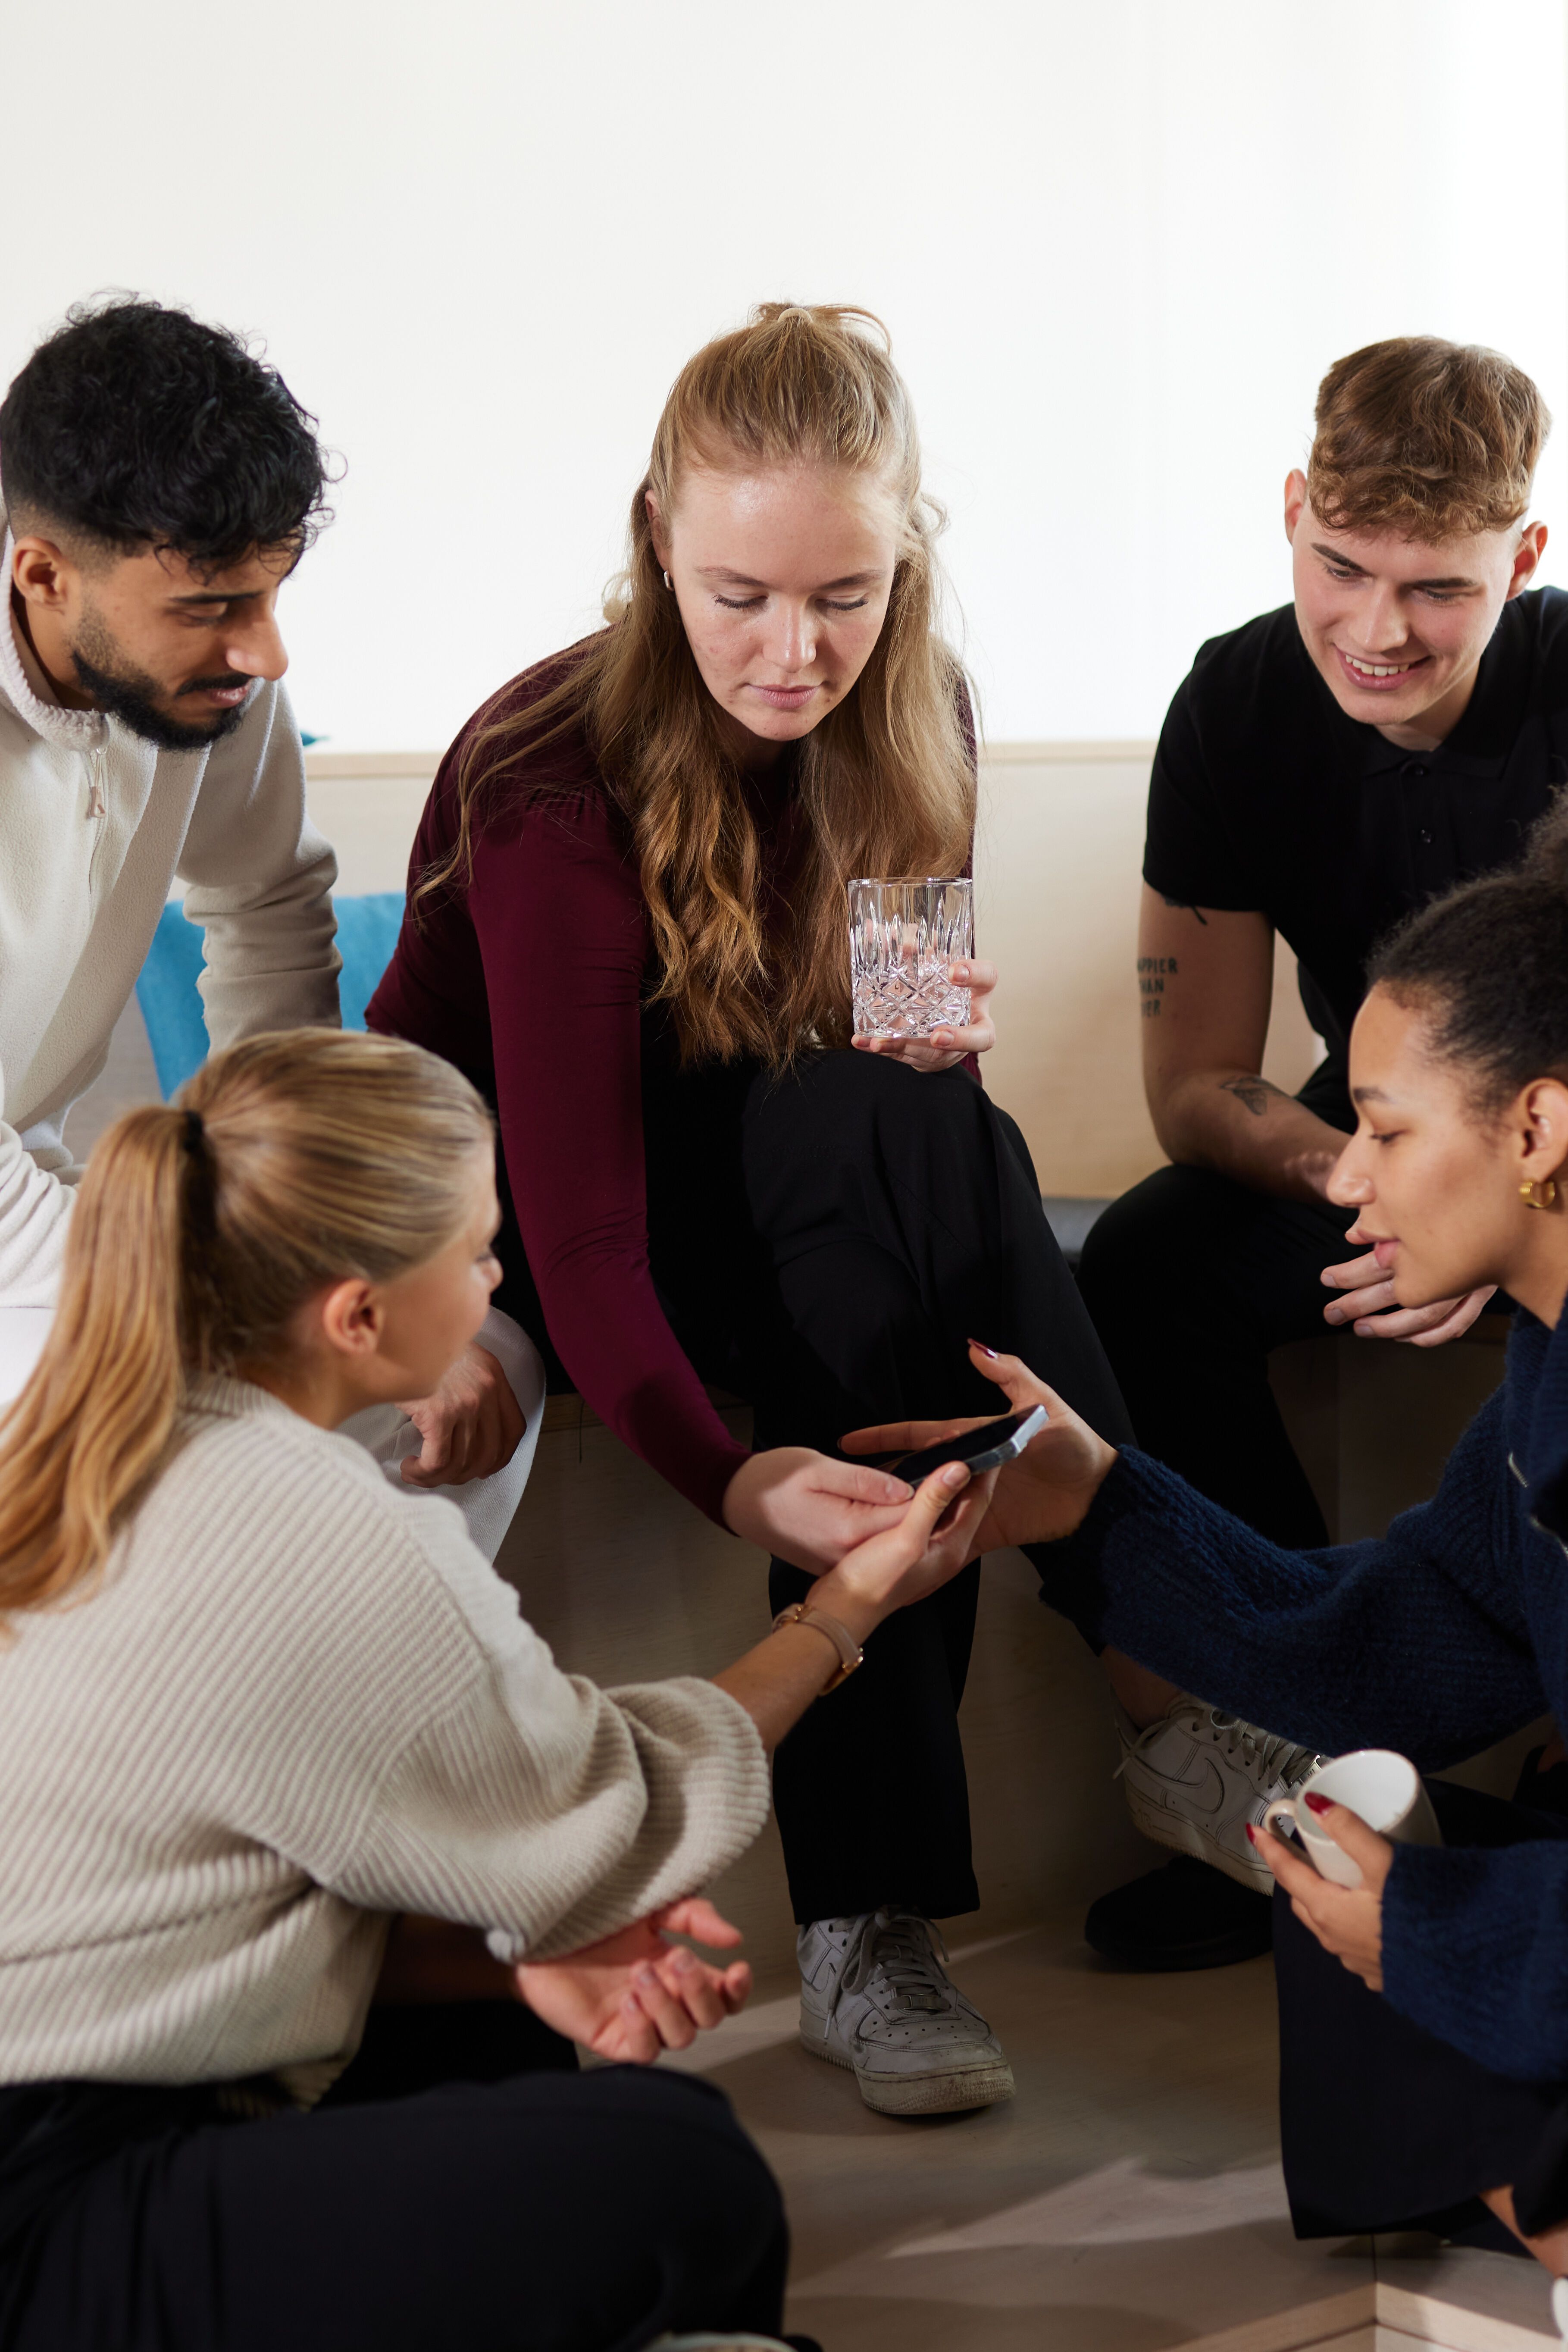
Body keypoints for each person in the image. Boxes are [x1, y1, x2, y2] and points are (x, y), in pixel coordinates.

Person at [367, 301, 1133, 2114]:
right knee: (893, 1202)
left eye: (843, 596)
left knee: (943, 1146)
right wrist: (732, 1472)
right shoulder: (549, 771)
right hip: (512, 1204)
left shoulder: (918, 702)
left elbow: (913, 1063)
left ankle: (1023, 1787)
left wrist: (929, 1057)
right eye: (739, 597)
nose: (796, 654)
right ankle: (1148, 1663)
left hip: (776, 1175)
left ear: (905, 560)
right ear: (654, 541)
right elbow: (580, 1218)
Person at [0, 1024, 995, 2352]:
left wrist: (524, 1966)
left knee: (512, 2042)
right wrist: (842, 1612)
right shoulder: (318, 1525)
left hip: (77, 2092)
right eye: (476, 1251)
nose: (495, 1278)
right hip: (55, 2201)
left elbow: (224, 1913)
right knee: (687, 2170)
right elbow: (628, 1814)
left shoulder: (99, 1436)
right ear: (359, 1314)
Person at [855, 806, 1568, 2270]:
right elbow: (1393, 1645)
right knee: (1336, 1845)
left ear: (1538, 1131)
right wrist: (1099, 1503)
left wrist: (1445, 1936)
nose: (1349, 1177)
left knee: (1424, 1937)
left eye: (1381, 1129)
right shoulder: (1544, 1378)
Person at [1074, 336, 1565, 1971]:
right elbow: (1198, 1083)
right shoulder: (1234, 703)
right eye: (1339, 568)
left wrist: (1502, 1224)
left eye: (1436, 589)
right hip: (1383, 1162)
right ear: (1291, 514)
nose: (1376, 630)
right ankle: (1299, 1782)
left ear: (1527, 556)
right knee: (1146, 1259)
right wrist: (1366, 1181)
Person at [0, 294, 542, 1558]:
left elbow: (268, 918)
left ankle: (361, 1737)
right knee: (228, 1408)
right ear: (43, 573)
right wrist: (297, 1303)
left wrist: (324, 1231)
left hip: (30, 1182)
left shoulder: (212, 691)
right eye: (212, 606)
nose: (267, 649)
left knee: (479, 1349)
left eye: (274, 591)